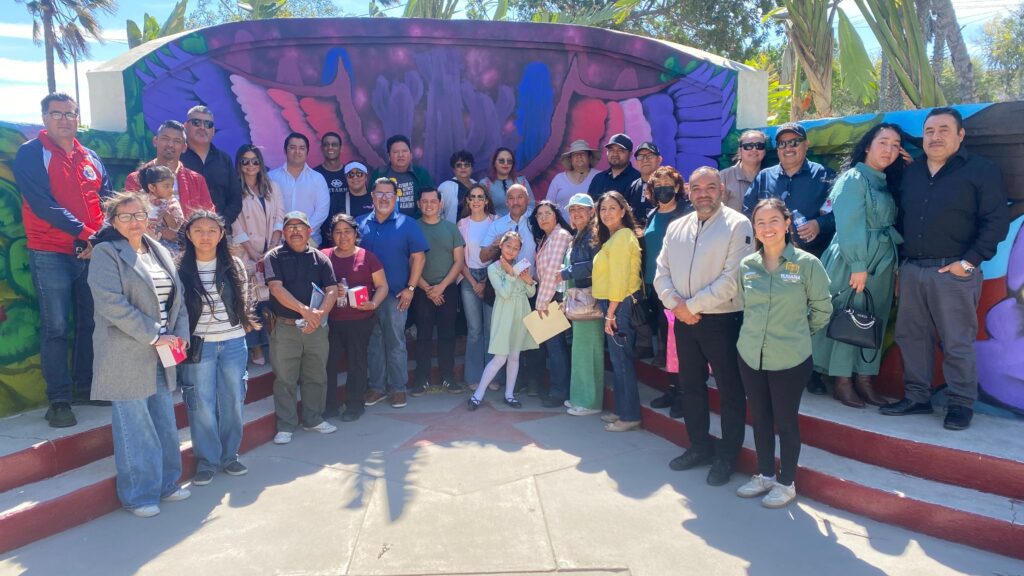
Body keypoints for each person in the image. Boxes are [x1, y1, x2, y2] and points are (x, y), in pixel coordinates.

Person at [882, 107, 1010, 430]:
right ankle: (917, 397)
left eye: (943, 130)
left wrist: (968, 262)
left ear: (960, 135)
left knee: (957, 341)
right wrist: (900, 267)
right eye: (929, 131)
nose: (935, 137)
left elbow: (996, 221)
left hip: (955, 272)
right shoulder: (911, 173)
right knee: (911, 337)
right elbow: (899, 219)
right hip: (912, 270)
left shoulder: (981, 170)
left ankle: (960, 403)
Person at [88, 191, 191, 517]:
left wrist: (180, 336)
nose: (134, 222)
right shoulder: (106, 252)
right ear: (113, 221)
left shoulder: (159, 249)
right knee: (135, 427)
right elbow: (111, 303)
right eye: (125, 216)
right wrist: (155, 335)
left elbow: (178, 298)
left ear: (148, 217)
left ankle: (168, 484)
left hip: (162, 350)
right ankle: (139, 494)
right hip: (125, 352)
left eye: (139, 215)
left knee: (164, 420)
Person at [14, 92, 113, 427]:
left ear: (77, 118)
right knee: (55, 326)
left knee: (91, 322)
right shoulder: (32, 153)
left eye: (70, 113)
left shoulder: (91, 156)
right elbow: (42, 204)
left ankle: (85, 387)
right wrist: (87, 234)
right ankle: (58, 401)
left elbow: (108, 202)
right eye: (56, 113)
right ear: (44, 117)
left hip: (92, 251)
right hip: (50, 252)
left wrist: (99, 239)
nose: (64, 119)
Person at [654, 167, 753, 486]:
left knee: (729, 390)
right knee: (691, 386)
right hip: (684, 320)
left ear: (722, 189)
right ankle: (699, 446)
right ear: (688, 191)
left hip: (723, 319)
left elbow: (732, 279)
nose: (703, 193)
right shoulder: (676, 227)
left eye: (710, 187)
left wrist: (690, 307)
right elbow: (661, 272)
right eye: (696, 188)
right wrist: (676, 305)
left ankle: (727, 456)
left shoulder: (738, 224)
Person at [735, 198, 832, 508]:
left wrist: (797, 333)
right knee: (760, 418)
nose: (767, 228)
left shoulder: (807, 264)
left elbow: (822, 310)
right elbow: (746, 306)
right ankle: (765, 474)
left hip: (790, 358)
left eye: (774, 220)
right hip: (751, 355)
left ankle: (786, 483)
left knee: (786, 421)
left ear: (787, 223)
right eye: (760, 222)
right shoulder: (747, 266)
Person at [812, 123, 907, 409]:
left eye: (895, 145)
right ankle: (842, 380)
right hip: (855, 260)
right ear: (867, 146)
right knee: (849, 316)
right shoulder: (853, 178)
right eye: (883, 143)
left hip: (882, 261)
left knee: (873, 318)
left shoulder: (883, 182)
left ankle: (864, 379)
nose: (889, 150)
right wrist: (858, 264)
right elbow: (849, 223)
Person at [743, 122, 835, 395]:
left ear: (806, 145)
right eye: (782, 143)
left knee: (806, 314)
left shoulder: (824, 176)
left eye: (794, 142)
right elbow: (748, 210)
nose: (788, 148)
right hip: (770, 263)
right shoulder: (764, 177)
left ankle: (809, 372)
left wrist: (819, 224)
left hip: (809, 260)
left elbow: (837, 212)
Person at [178, 210, 258, 486]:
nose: (205, 236)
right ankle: (207, 461)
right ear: (189, 235)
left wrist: (244, 324)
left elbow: (244, 297)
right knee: (201, 404)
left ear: (221, 234)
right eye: (198, 230)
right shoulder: (180, 269)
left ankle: (229, 456)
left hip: (233, 342)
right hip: (199, 346)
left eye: (212, 230)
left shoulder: (233, 264)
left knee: (233, 400)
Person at [263, 211, 339, 445]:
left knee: (316, 374)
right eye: (290, 227)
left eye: (300, 226)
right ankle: (286, 425)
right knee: (285, 378)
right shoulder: (273, 256)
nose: (295, 231)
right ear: (284, 232)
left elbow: (332, 290)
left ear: (309, 231)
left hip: (316, 327)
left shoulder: (321, 258)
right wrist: (305, 311)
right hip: (285, 327)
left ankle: (313, 419)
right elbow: (276, 288)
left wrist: (319, 315)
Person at [358, 178, 430, 409]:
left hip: (396, 296)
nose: (384, 198)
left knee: (395, 342)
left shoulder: (408, 224)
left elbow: (419, 257)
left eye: (389, 194)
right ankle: (376, 387)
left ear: (396, 197)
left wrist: (411, 288)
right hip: (367, 297)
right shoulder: (359, 223)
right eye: (380, 193)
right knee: (373, 343)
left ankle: (398, 388)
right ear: (372, 196)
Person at [323, 214, 389, 422]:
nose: (343, 236)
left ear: (355, 234)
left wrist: (374, 303)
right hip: (330, 321)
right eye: (338, 232)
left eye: (347, 231)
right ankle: (329, 405)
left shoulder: (367, 257)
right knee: (328, 364)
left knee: (357, 363)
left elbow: (382, 286)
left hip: (359, 320)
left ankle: (354, 405)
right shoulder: (324, 256)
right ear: (332, 235)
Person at [466, 231, 538, 410]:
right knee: (500, 358)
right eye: (508, 246)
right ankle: (478, 395)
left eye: (516, 248)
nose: (511, 251)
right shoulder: (494, 268)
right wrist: (512, 274)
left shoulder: (522, 265)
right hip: (505, 314)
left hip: (521, 312)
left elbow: (530, 293)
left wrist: (529, 281)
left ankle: (509, 395)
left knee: (514, 356)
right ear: (501, 246)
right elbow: (504, 293)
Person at [592, 191, 643, 432]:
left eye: (613, 208)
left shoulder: (622, 237)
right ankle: (622, 410)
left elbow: (620, 279)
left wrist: (610, 313)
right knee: (617, 359)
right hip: (613, 304)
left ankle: (630, 415)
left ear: (623, 211)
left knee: (622, 361)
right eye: (603, 209)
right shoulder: (614, 237)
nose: (607, 213)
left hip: (618, 305)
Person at [232, 144, 284, 366]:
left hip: (270, 249)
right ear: (239, 164)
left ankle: (273, 344)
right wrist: (252, 251)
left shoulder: (272, 186)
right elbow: (234, 221)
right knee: (250, 301)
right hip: (245, 251)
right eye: (245, 161)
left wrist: (272, 245)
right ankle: (255, 348)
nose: (250, 165)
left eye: (255, 161)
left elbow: (280, 216)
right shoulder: (234, 188)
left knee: (271, 299)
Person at [411, 187, 466, 395]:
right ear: (418, 204)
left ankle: (448, 377)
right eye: (424, 201)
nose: (429, 205)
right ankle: (421, 379)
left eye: (433, 201)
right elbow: (410, 261)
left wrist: (441, 287)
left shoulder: (451, 228)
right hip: (421, 289)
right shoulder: (412, 227)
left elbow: (459, 261)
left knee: (447, 334)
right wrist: (427, 288)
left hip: (447, 289)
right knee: (423, 335)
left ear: (440, 204)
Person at [641, 165, 690, 379]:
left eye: (668, 185)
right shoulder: (652, 214)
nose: (663, 189)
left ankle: (676, 368)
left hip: (675, 279)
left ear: (677, 187)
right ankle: (663, 354)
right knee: (660, 321)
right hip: (652, 278)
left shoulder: (685, 213)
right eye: (658, 185)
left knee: (673, 323)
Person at [560, 193, 604, 417]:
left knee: (589, 352)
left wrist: (565, 273)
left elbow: (593, 265)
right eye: (572, 210)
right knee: (580, 350)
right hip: (578, 299)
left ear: (591, 212)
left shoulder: (592, 236)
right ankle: (579, 398)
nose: (576, 213)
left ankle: (590, 402)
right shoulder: (578, 235)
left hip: (590, 299)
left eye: (581, 209)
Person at [530, 200, 573, 407]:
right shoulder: (546, 238)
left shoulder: (560, 236)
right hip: (549, 296)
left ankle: (559, 392)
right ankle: (558, 389)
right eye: (539, 215)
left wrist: (541, 303)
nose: (543, 217)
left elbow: (552, 272)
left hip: (553, 297)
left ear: (556, 215)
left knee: (556, 348)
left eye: (547, 213)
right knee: (554, 347)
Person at [125, 120, 215, 218]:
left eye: (177, 141)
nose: (170, 144)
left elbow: (209, 218)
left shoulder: (197, 181)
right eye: (165, 139)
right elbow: (129, 215)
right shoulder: (136, 179)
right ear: (155, 141)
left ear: (184, 147)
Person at [458, 183, 497, 391]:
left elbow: (500, 255)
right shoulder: (462, 224)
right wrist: (474, 283)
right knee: (474, 330)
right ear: (467, 200)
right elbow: (458, 259)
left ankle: (492, 377)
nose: (476, 200)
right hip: (468, 278)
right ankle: (473, 376)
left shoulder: (496, 222)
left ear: (486, 200)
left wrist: (485, 282)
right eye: (472, 197)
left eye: (480, 197)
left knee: (491, 328)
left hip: (492, 278)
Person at [181, 105, 242, 227]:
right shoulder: (177, 158)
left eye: (208, 124)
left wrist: (220, 224)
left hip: (219, 231)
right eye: (196, 122)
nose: (202, 127)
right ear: (185, 126)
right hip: (183, 233)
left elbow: (235, 199)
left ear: (213, 130)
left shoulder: (224, 160)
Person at [268, 133, 330, 246]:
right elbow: (268, 210)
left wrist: (304, 231)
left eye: (302, 148)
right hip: (279, 241)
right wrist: (282, 233)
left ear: (307, 152)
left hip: (310, 241)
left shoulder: (317, 178)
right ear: (285, 150)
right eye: (292, 147)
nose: (297, 151)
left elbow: (322, 211)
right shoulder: (271, 177)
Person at [370, 134, 434, 217]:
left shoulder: (421, 174)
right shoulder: (379, 174)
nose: (400, 155)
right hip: (385, 222)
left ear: (411, 154)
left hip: (415, 222)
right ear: (389, 156)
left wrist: (413, 221)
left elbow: (430, 200)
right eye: (396, 152)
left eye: (404, 151)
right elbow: (370, 201)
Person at [139, 165, 185, 259]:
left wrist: (167, 215)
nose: (171, 190)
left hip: (167, 244)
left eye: (172, 186)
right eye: (166, 186)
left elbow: (176, 228)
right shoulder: (141, 202)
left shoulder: (172, 203)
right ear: (152, 187)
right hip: (144, 241)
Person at [547, 140, 599, 219]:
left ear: (590, 157)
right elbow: (548, 205)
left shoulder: (599, 176)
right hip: (561, 226)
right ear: (570, 159)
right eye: (575, 154)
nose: (579, 156)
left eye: (582, 153)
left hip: (592, 226)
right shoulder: (558, 179)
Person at [587, 133, 641, 208]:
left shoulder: (638, 179)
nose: (615, 154)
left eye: (620, 150)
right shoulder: (598, 179)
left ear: (630, 154)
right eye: (611, 150)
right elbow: (590, 208)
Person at [314, 132, 349, 247]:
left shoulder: (350, 174)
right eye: (326, 144)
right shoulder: (314, 175)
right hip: (320, 234)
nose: (330, 147)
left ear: (341, 148)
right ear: (322, 148)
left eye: (334, 144)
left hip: (346, 234)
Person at [720, 130, 767, 212]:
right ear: (740, 150)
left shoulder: (770, 177)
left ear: (765, 151)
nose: (754, 149)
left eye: (759, 146)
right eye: (748, 146)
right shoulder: (724, 177)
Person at [479, 147, 534, 215]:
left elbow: (531, 205)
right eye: (501, 161)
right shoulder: (485, 184)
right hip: (494, 221)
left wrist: (521, 219)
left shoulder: (522, 181)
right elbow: (480, 208)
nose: (506, 163)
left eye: (509, 161)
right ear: (494, 163)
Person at [626, 142, 663, 225]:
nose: (645, 160)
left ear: (659, 159)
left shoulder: (666, 185)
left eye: (650, 156)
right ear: (636, 162)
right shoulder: (632, 187)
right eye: (640, 156)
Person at [438, 150, 476, 223]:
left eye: (466, 165)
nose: (463, 167)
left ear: (472, 168)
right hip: (452, 229)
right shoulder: (445, 187)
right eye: (459, 165)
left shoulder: (478, 186)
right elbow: (437, 213)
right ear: (454, 169)